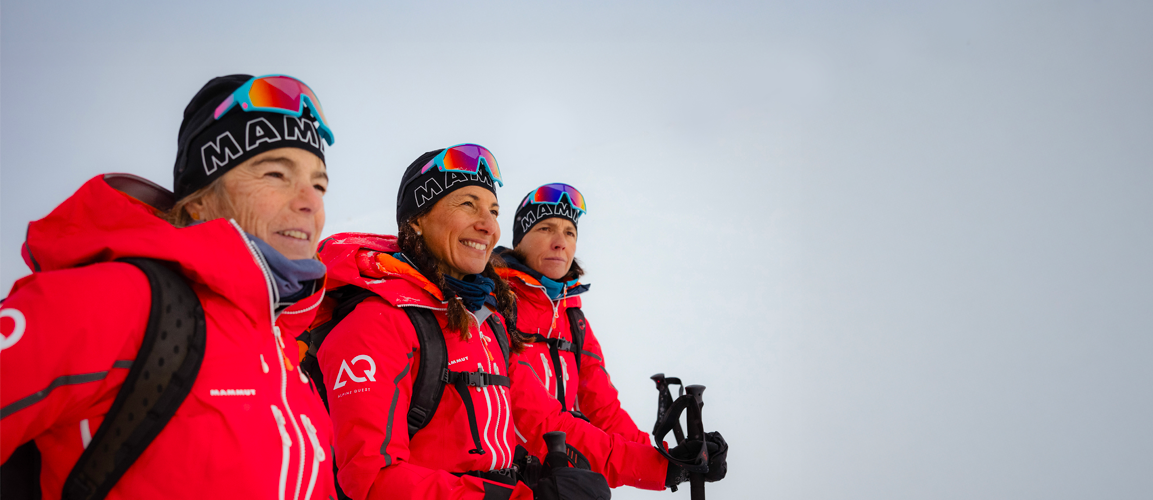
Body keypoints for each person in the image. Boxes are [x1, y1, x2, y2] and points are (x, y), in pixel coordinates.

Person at [313, 145, 726, 499]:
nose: (487, 224)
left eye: (492, 209)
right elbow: (368, 480)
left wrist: (664, 466)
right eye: (467, 204)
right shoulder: (377, 321)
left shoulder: (486, 321)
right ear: (416, 220)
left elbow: (540, 418)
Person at [0, 74, 338, 499]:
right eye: (275, 174)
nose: (310, 200)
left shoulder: (287, 355)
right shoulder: (117, 300)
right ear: (200, 200)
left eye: (319, 183)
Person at [494, 183, 651, 448]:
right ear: (519, 241)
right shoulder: (495, 304)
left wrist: (660, 457)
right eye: (546, 229)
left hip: (559, 472)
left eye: (570, 232)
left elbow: (603, 410)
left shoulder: (573, 319)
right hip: (503, 479)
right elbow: (528, 413)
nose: (560, 243)